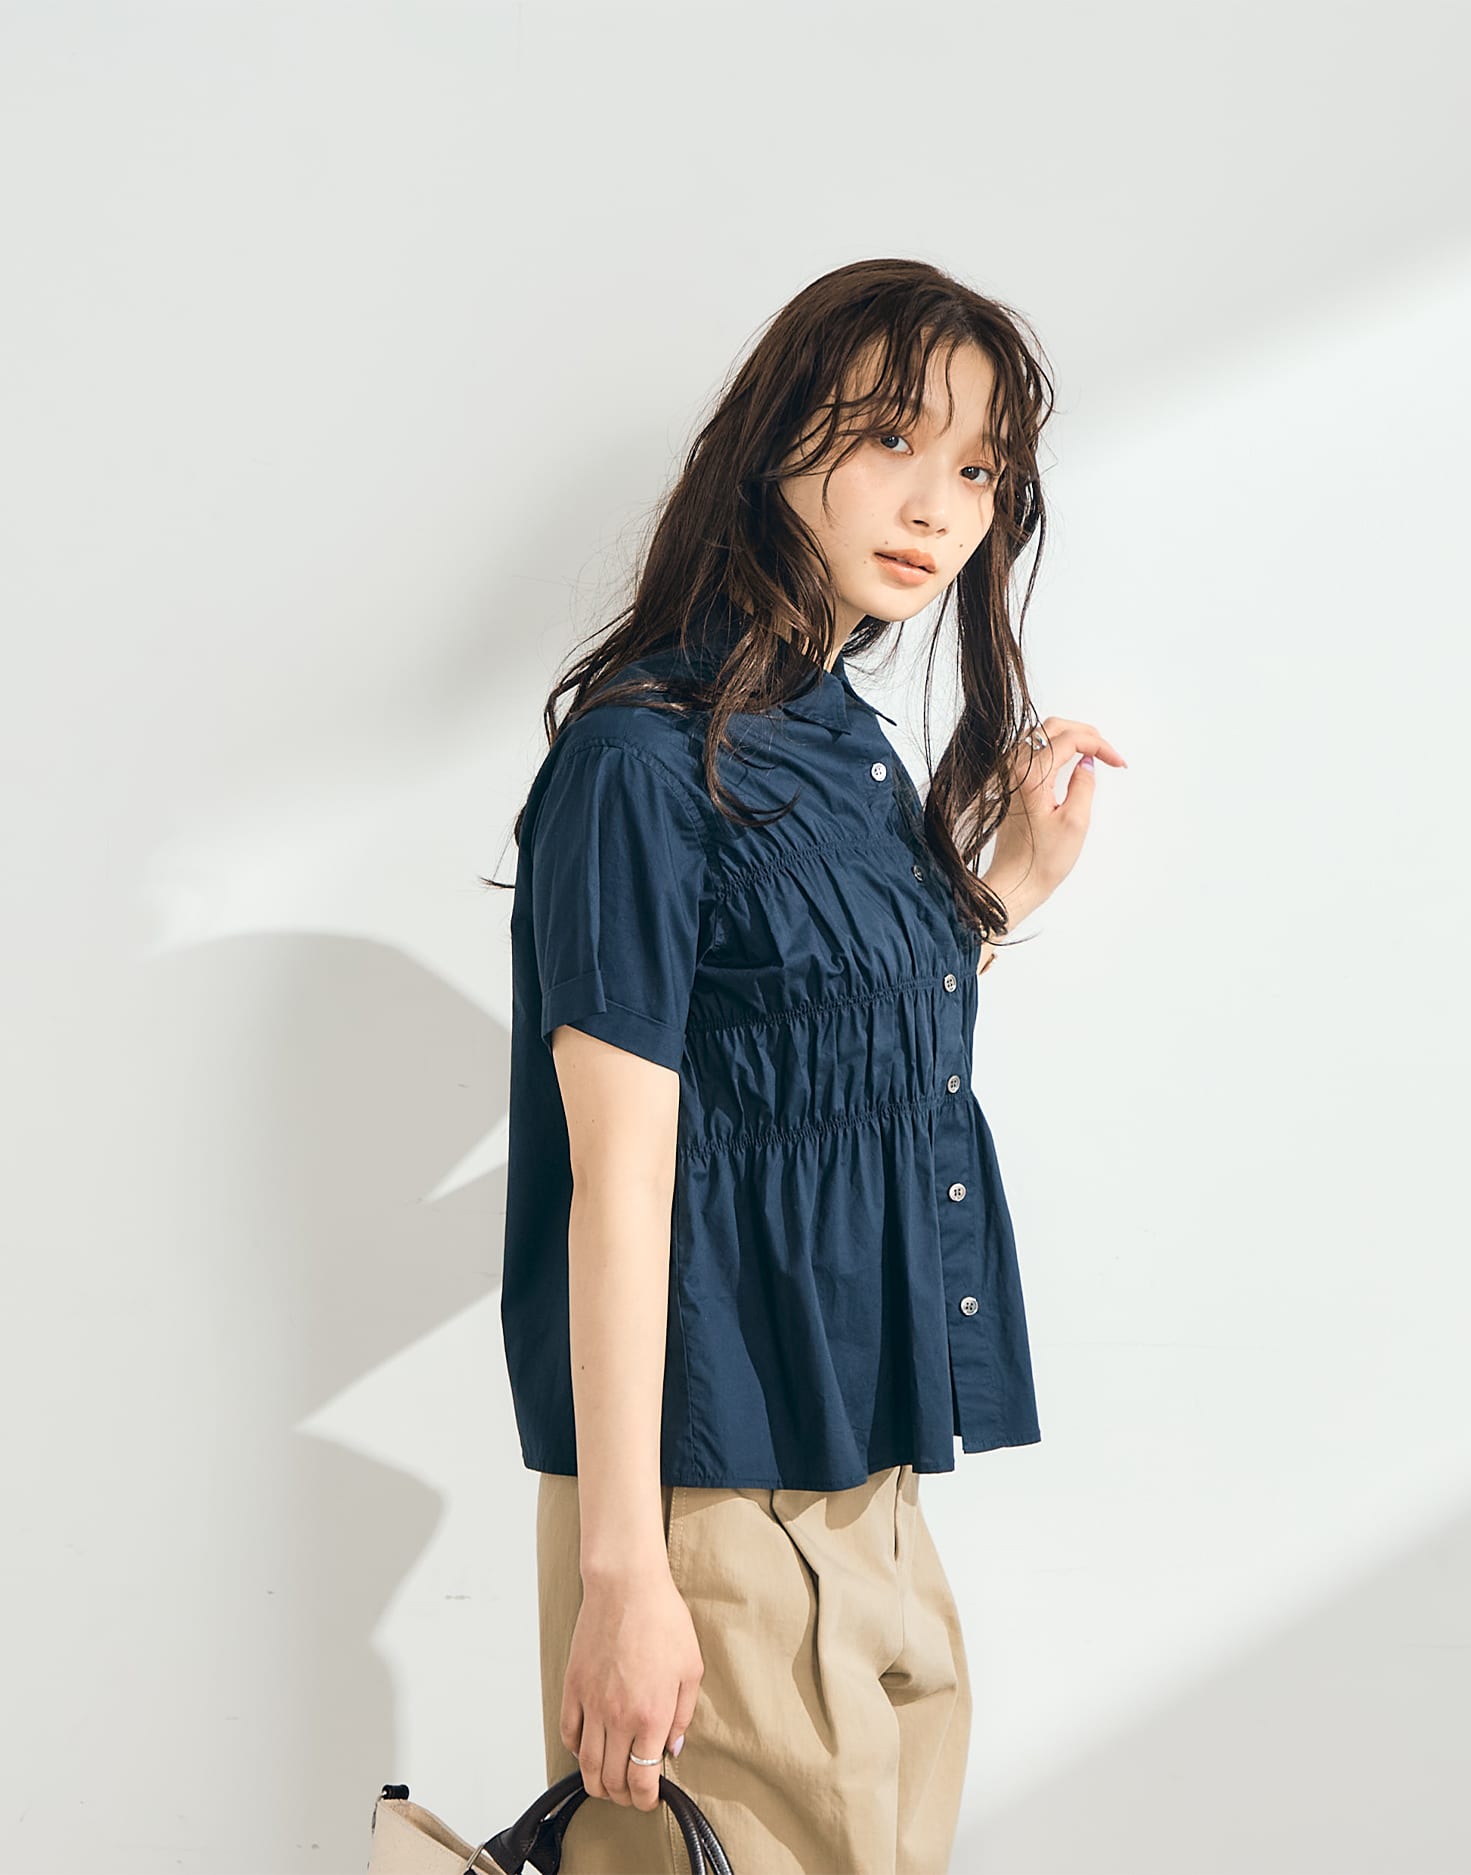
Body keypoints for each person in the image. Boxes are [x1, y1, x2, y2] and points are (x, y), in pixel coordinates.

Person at [488, 256, 1126, 1874]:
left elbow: (829, 1073)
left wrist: (1002, 899)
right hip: (711, 1500)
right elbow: (618, 1186)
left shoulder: (842, 745)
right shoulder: (642, 759)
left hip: (872, 1485)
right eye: (892, 439)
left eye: (978, 469)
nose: (936, 506)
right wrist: (626, 1575)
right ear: (777, 435)